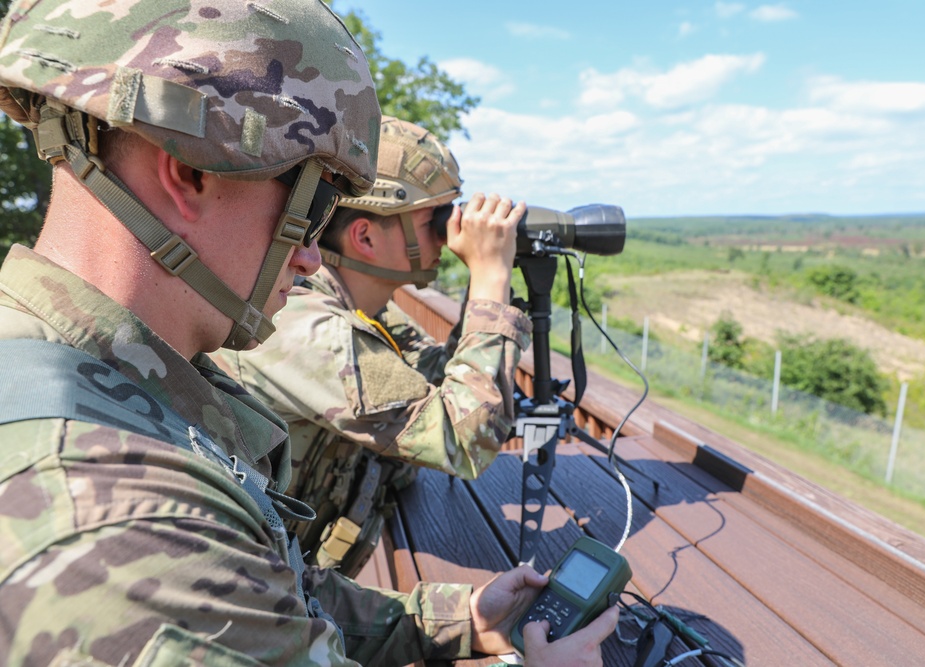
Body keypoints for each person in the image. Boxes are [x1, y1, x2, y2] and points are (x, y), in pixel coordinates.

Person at [0, 1, 617, 666]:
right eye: (314, 202)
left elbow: (272, 595)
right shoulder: (120, 525)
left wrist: (458, 618)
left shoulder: (130, 379)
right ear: (190, 170)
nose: (314, 253)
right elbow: (455, 433)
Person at [212, 116, 532, 576]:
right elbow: (465, 441)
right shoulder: (308, 329)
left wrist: (486, 290)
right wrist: (490, 275)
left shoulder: (366, 308)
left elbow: (440, 381)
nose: (453, 228)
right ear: (364, 236)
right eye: (434, 220)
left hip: (311, 571)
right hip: (265, 591)